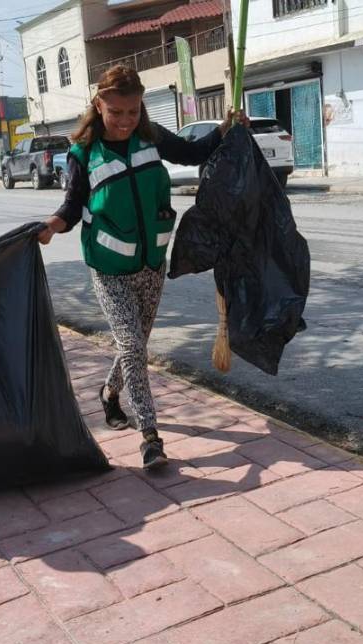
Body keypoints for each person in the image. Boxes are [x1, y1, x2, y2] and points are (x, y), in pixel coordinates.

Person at [40, 64, 247, 471]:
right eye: (116, 112)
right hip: (108, 268)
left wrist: (226, 128)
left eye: (133, 111)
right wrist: (50, 226)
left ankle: (109, 392)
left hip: (152, 263)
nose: (124, 121)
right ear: (98, 104)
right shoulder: (83, 152)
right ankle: (150, 437)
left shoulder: (150, 137)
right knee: (133, 346)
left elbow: (193, 152)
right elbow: (71, 205)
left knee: (133, 345)